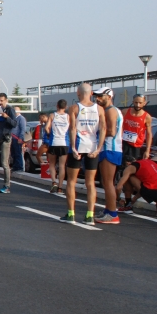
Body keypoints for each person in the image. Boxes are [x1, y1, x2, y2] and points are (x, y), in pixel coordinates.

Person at [60, 83, 105, 225]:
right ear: (91, 93)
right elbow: (103, 129)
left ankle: (70, 214)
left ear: (78, 93)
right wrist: (98, 148)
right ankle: (90, 215)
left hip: (78, 146)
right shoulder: (99, 109)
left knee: (71, 182)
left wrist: (73, 147)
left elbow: (72, 129)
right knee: (90, 183)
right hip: (92, 147)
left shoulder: (74, 108)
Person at [93, 88, 123, 224]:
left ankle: (112, 213)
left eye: (100, 96)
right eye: (97, 96)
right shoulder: (109, 110)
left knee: (108, 182)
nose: (97, 98)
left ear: (109, 96)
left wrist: (97, 134)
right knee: (105, 183)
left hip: (110, 148)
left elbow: (111, 131)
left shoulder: (110, 110)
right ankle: (108, 210)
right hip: (109, 148)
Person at [46, 99, 70, 194]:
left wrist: (49, 134)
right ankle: (60, 187)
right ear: (66, 107)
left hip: (54, 142)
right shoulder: (68, 117)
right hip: (64, 143)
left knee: (52, 164)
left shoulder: (52, 115)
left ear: (57, 106)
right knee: (62, 166)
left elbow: (46, 128)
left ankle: (54, 182)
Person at [121, 94, 152, 161]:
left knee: (131, 167)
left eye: (140, 103)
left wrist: (147, 150)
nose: (138, 105)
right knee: (120, 167)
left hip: (136, 146)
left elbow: (149, 134)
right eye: (136, 102)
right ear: (133, 102)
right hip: (123, 143)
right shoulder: (125, 112)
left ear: (144, 103)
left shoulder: (147, 117)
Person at [10, 106, 27, 172]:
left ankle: (19, 167)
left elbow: (23, 129)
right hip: (12, 138)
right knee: (13, 153)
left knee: (17, 153)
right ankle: (15, 166)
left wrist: (20, 138)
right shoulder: (13, 118)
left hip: (17, 138)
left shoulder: (21, 118)